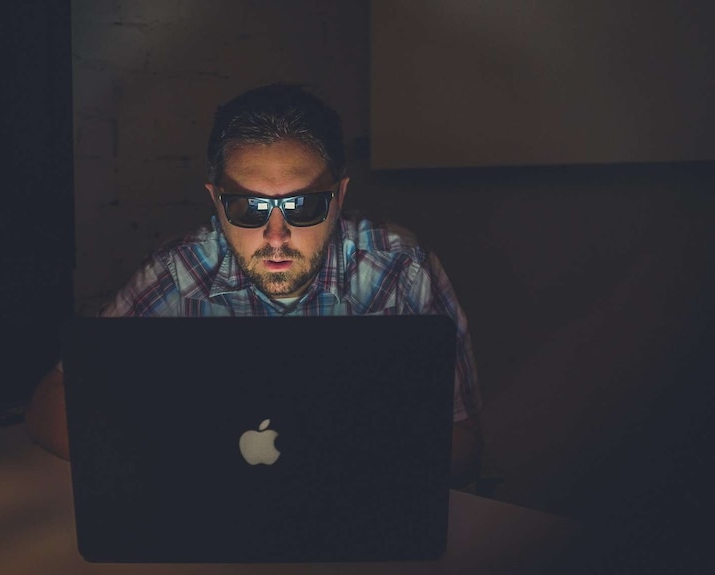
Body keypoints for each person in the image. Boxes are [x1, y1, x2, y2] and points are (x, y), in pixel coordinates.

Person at [26, 83, 484, 487]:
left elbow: (461, 440)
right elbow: (51, 403)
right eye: (249, 208)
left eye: (303, 205)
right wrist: (172, 462)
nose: (276, 236)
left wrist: (349, 474)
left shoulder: (402, 270)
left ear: (339, 197)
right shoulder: (178, 273)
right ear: (216, 203)